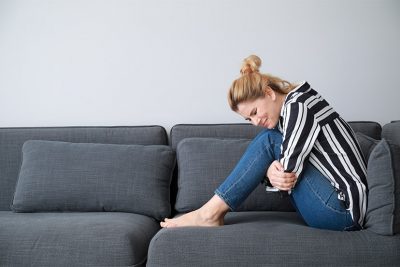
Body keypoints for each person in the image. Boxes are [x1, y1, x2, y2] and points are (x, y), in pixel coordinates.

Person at [161, 55, 367, 231]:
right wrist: (269, 173)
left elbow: (287, 172)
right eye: (249, 119)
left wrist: (269, 172)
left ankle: (209, 213)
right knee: (269, 136)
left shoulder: (299, 105)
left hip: (344, 212)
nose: (255, 122)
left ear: (269, 93)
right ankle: (209, 213)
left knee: (269, 140)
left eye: (254, 112)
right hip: (332, 204)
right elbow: (283, 179)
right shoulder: (288, 114)